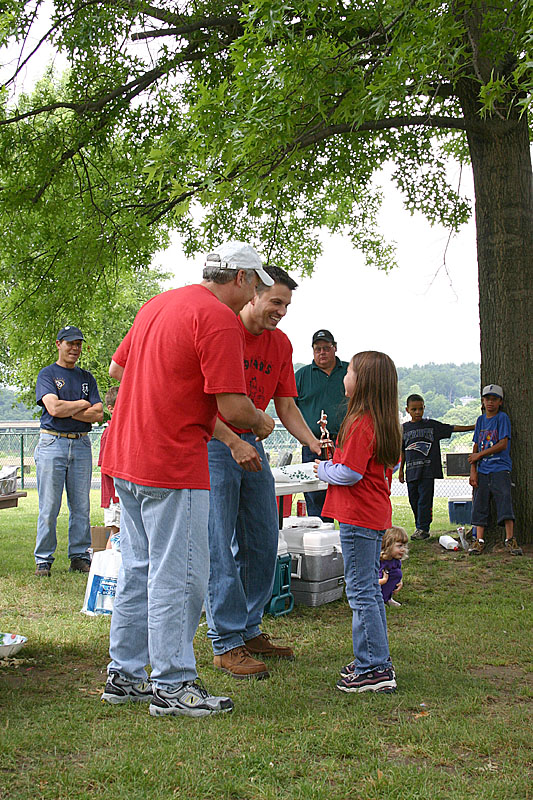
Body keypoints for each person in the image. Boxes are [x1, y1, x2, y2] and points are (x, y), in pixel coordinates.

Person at [100, 241, 275, 718]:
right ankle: (174, 685)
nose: (253, 296)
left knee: (138, 568)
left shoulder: (158, 303)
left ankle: (126, 675)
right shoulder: (217, 318)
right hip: (172, 463)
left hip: (127, 455)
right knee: (180, 576)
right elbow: (233, 406)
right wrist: (260, 424)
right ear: (240, 279)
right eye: (255, 285)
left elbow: (118, 368)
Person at [206, 265, 321, 680]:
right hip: (216, 442)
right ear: (252, 293)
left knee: (261, 538)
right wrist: (232, 440)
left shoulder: (281, 344)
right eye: (276, 302)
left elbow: (286, 406)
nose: (281, 312)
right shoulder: (222, 330)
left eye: (287, 305)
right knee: (218, 543)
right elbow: (203, 403)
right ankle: (225, 642)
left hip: (254, 445)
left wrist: (312, 442)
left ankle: (249, 628)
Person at [316, 351, 402, 694]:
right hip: (374, 513)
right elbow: (388, 467)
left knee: (361, 589)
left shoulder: (360, 422)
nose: (344, 376)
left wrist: (322, 469)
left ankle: (374, 668)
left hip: (357, 517)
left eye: (349, 371)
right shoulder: (384, 422)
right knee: (367, 588)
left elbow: (349, 473)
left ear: (362, 381)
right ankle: (374, 656)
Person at [34, 326, 103, 577]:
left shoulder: (87, 377)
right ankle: (43, 559)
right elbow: (53, 409)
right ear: (58, 344)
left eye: (79, 344)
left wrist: (69, 408)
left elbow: (98, 413)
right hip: (53, 443)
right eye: (70, 343)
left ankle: (79, 556)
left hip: (82, 443)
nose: (75, 348)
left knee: (81, 506)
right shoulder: (47, 374)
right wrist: (83, 404)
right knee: (50, 506)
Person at [398, 394, 475, 540]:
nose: (418, 412)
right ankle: (419, 526)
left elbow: (452, 428)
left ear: (424, 408)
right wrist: (401, 470)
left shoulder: (432, 425)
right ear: (407, 410)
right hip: (412, 471)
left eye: (420, 409)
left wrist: (474, 427)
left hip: (427, 471)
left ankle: (423, 528)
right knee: (413, 499)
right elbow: (403, 450)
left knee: (424, 500)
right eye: (414, 409)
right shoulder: (404, 429)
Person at [295, 329, 348, 520]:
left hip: (345, 444)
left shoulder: (350, 372)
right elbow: (288, 409)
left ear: (335, 348)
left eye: (326, 348)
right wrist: (305, 439)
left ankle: (347, 538)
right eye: (318, 349)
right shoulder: (301, 376)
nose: (322, 352)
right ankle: (319, 539)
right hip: (313, 445)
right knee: (315, 495)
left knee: (346, 492)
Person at [468, 384, 522, 556]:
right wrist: (473, 470)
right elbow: (475, 446)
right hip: (483, 470)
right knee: (480, 504)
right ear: (482, 401)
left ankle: (510, 539)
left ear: (500, 402)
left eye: (494, 399)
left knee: (505, 499)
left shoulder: (502, 418)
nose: (490, 402)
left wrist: (480, 455)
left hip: (500, 467)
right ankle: (479, 540)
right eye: (487, 399)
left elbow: (502, 443)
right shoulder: (480, 420)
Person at [98, 386, 121, 550]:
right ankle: (109, 570)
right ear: (110, 408)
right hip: (115, 496)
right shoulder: (110, 433)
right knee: (116, 533)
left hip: (124, 496)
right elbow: (107, 467)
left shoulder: (125, 430)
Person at [379, 526, 408, 607]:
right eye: (399, 546)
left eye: (404, 546)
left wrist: (399, 581)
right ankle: (379, 600)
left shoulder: (396, 561)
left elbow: (398, 573)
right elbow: (373, 582)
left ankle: (388, 598)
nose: (403, 549)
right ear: (388, 545)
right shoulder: (382, 563)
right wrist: (384, 580)